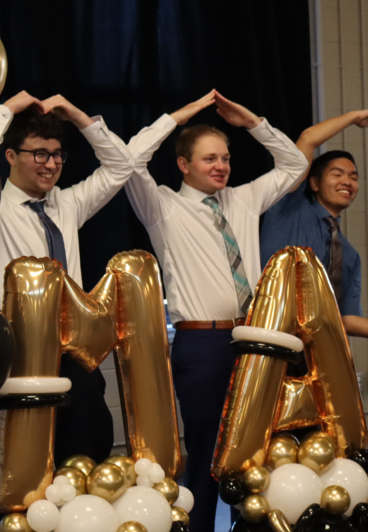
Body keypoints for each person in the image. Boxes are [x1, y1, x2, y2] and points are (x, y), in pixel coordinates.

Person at [0, 90, 178, 531]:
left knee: (88, 469)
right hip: (18, 363)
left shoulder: (67, 203)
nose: (49, 164)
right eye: (38, 154)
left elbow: (120, 166)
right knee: (21, 490)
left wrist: (79, 117)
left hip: (76, 360)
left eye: (57, 155)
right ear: (10, 155)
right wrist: (10, 107)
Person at [124, 89, 308, 532]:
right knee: (207, 452)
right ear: (183, 165)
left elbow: (296, 165)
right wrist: (179, 116)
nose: (221, 166)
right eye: (209, 159)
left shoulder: (243, 199)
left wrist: (253, 123)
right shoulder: (162, 206)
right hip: (202, 342)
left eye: (225, 158)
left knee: (259, 447)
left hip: (255, 338)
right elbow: (129, 159)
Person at [259, 109, 368, 339]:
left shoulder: (348, 253)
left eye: (353, 177)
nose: (347, 181)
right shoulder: (288, 206)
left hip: (315, 354)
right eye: (337, 174)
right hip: (268, 336)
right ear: (313, 183)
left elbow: (347, 319)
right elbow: (308, 139)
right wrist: (353, 117)